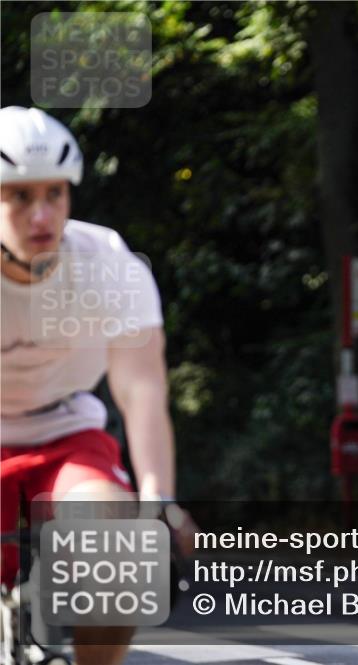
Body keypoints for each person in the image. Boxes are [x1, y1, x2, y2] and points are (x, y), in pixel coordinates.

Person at [0, 106, 194, 665]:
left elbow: (141, 389)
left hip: (66, 434)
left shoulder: (107, 262)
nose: (42, 215)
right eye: (19, 196)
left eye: (55, 194)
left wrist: (159, 498)